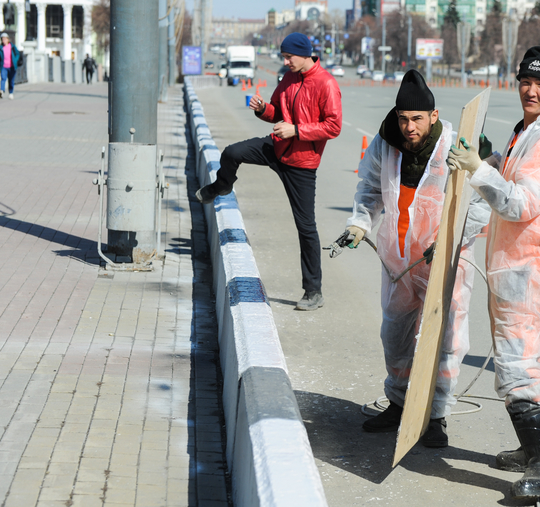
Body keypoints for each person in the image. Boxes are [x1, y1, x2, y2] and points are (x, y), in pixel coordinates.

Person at [447, 46, 540, 498]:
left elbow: (520, 204)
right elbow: (502, 200)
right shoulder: (526, 130)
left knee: (517, 364)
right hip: (517, 260)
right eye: (526, 80)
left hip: (530, 262)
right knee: (530, 358)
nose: (531, 89)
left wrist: (477, 174)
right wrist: (480, 173)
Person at [346, 70, 491, 447]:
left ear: (433, 115)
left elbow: (479, 204)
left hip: (445, 259)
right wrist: (360, 223)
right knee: (394, 336)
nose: (409, 127)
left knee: (445, 340)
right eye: (403, 118)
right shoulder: (386, 142)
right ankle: (397, 403)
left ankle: (436, 413)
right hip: (399, 262)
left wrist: (449, 240)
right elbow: (369, 187)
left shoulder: (457, 145)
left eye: (416, 119)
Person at [195, 33, 342, 311]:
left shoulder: (326, 84)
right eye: (284, 57)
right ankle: (221, 187)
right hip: (276, 147)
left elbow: (333, 126)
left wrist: (297, 130)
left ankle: (313, 291)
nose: (285, 62)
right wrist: (263, 109)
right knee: (231, 153)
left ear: (304, 54)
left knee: (306, 227)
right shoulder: (288, 77)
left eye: (289, 57)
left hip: (301, 163)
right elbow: (277, 113)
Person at [0, 33, 20, 100]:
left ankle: (11, 93)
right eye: (2, 39)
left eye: (5, 39)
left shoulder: (12, 47)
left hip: (12, 66)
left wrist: (15, 60)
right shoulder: (0, 48)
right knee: (3, 79)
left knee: (11, 80)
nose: (4, 40)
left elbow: (17, 54)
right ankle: (2, 91)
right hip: (3, 66)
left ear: (8, 39)